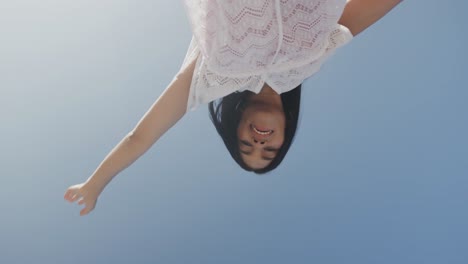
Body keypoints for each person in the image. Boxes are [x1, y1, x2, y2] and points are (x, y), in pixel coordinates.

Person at [65, 0, 403, 216]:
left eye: (246, 146)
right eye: (269, 150)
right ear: (285, 130)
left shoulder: (215, 74)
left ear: (236, 126)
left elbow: (139, 137)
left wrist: (95, 184)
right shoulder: (313, 55)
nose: (259, 143)